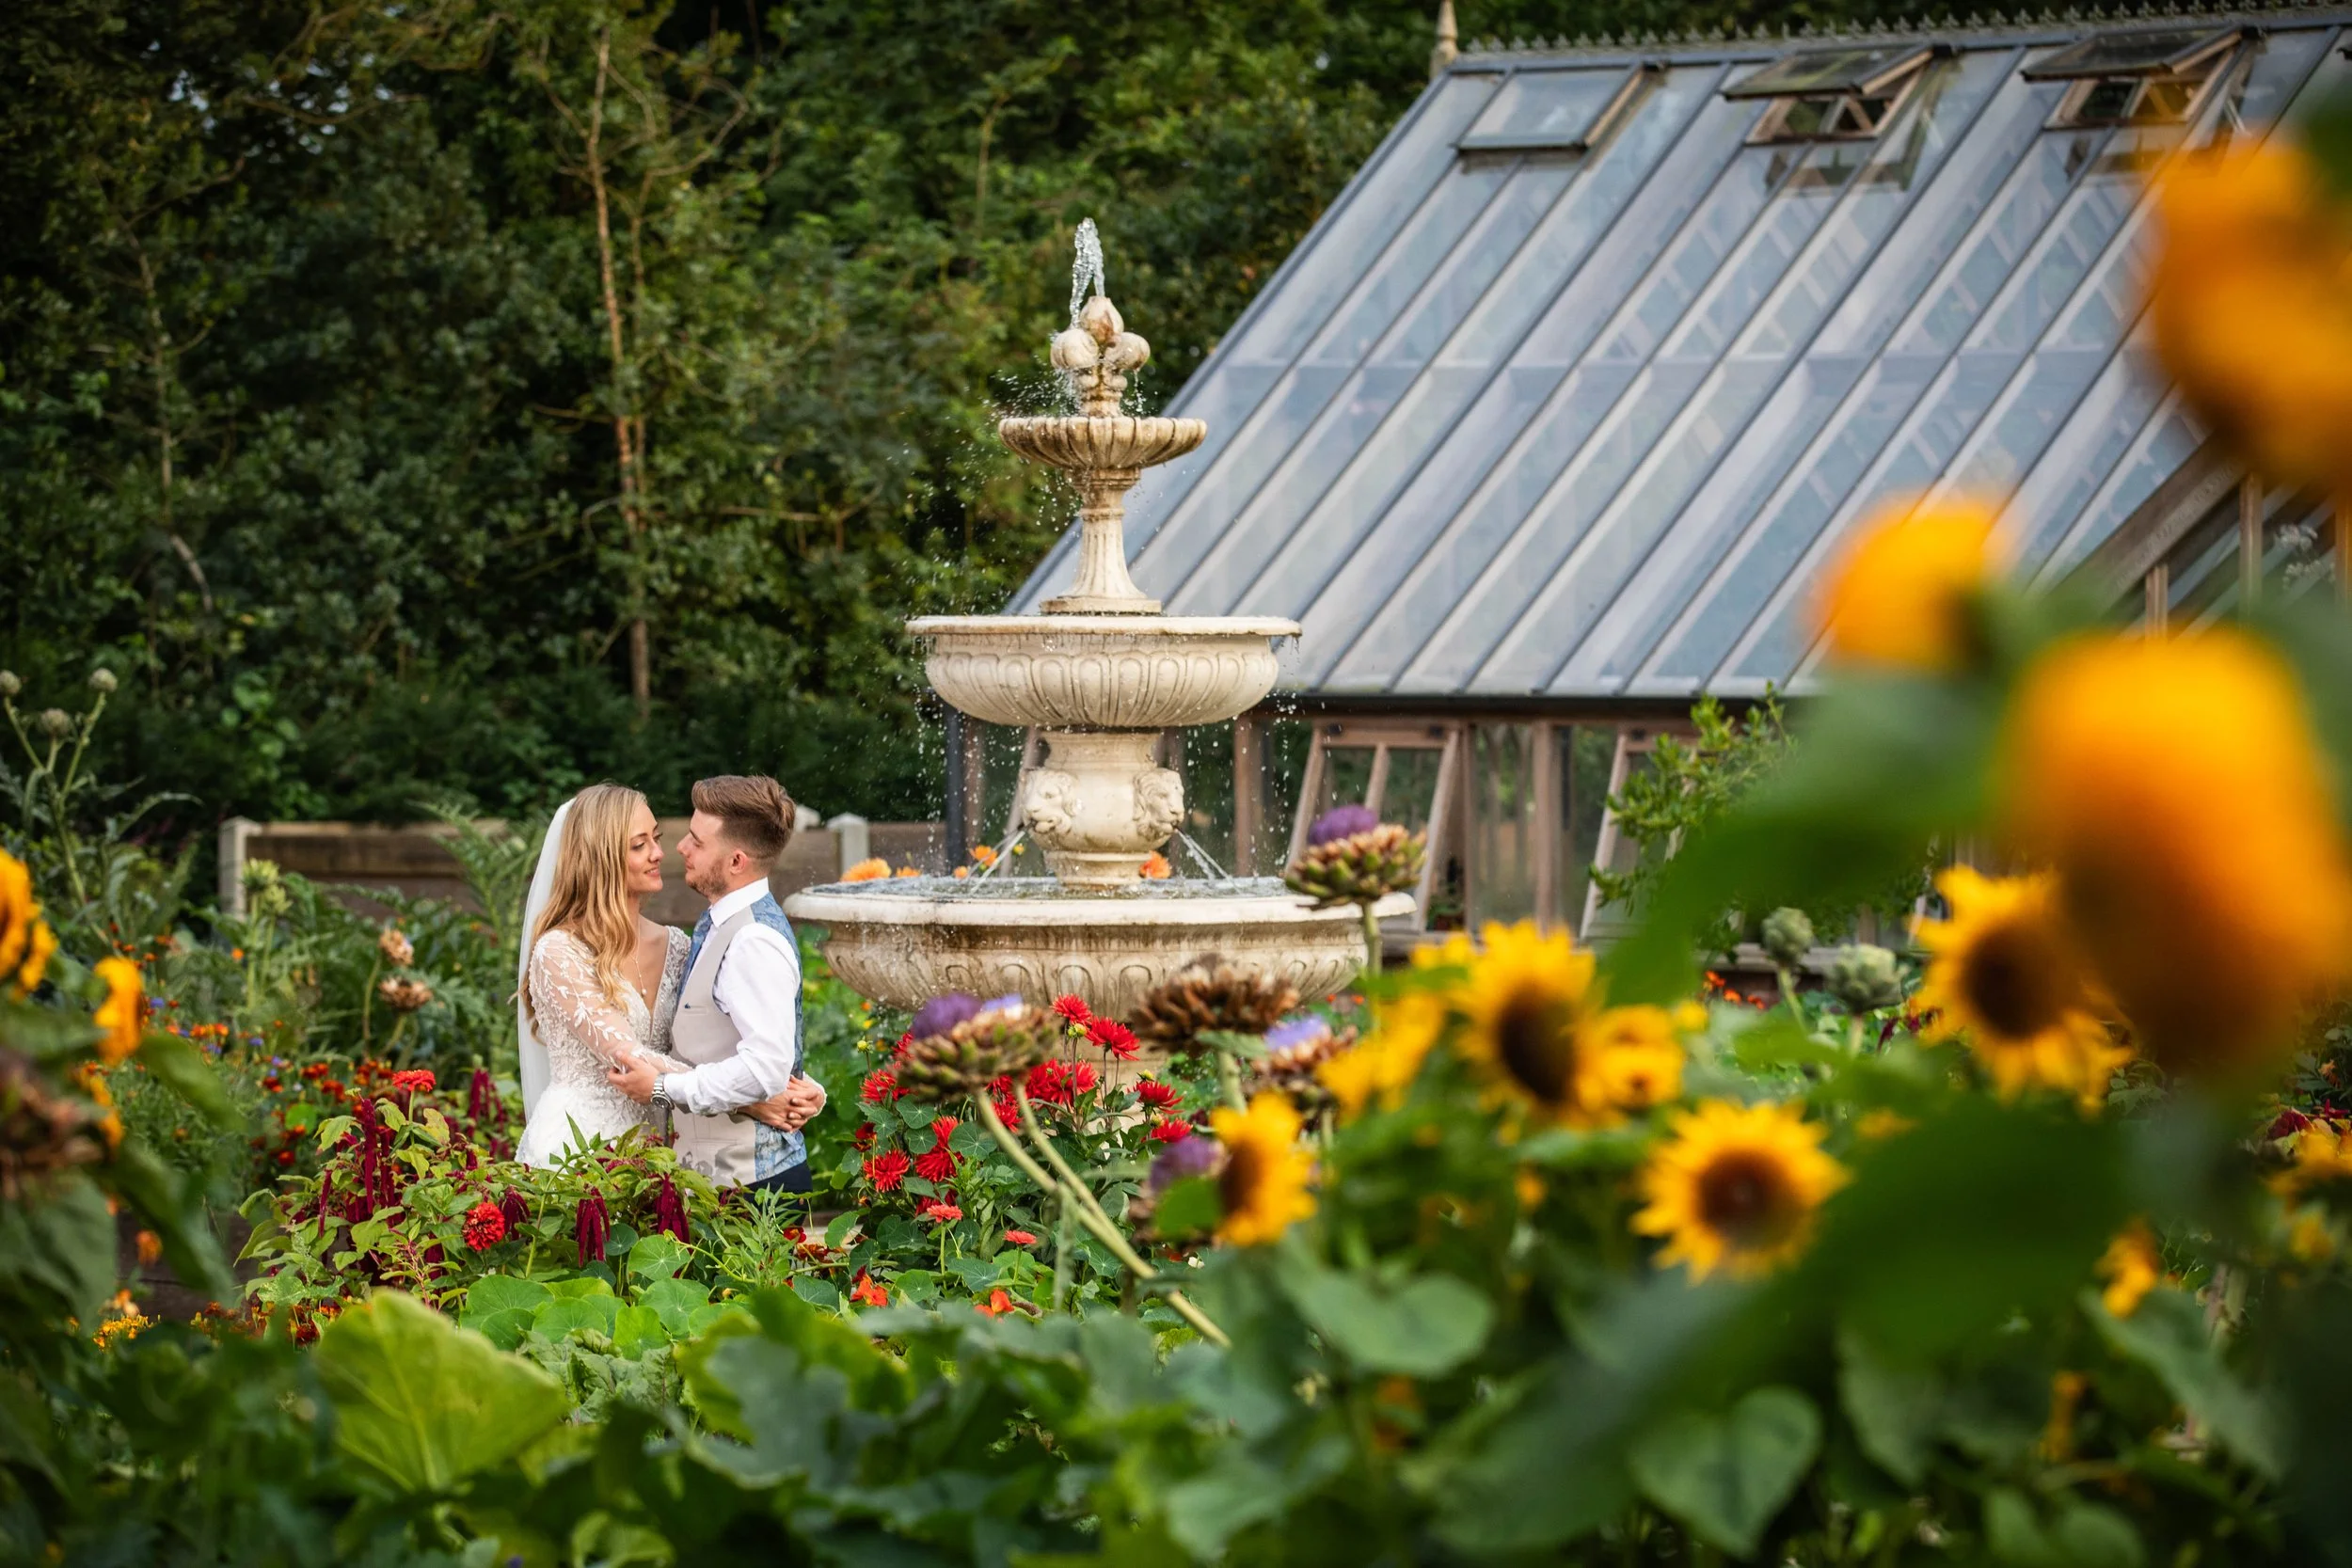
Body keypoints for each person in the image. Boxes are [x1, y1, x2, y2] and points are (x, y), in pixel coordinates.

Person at [513, 784, 817, 1168]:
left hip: (663, 1157)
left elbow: (726, 1040)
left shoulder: (676, 946)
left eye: (654, 838)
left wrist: (800, 1085)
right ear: (600, 858)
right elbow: (628, 1057)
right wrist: (755, 1099)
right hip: (580, 1151)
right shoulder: (560, 952)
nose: (660, 853)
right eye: (639, 845)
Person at [608, 774, 825, 1195]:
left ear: (736, 861)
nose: (680, 848)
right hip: (721, 1181)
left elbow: (765, 1067)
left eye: (696, 841)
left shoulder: (752, 941)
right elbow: (741, 1042)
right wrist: (808, 1086)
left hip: (754, 1189)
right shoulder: (721, 923)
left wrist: (661, 1088)